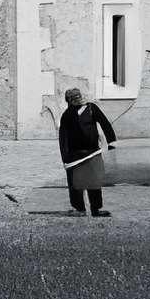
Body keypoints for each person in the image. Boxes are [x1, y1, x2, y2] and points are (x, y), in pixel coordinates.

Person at [58, 87, 116, 215]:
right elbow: (63, 138)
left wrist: (111, 142)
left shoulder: (91, 108)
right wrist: (65, 157)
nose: (79, 99)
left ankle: (96, 209)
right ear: (69, 101)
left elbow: (105, 124)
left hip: (92, 152)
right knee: (75, 183)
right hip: (74, 155)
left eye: (79, 96)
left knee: (94, 181)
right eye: (74, 98)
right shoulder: (67, 115)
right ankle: (79, 209)